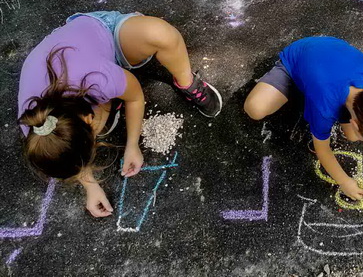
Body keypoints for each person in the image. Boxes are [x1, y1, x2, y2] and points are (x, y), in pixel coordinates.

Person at [18, 11, 222, 217]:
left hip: (102, 32)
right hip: (76, 61)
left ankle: (186, 82)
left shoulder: (96, 79)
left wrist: (133, 143)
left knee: (162, 35)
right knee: (102, 100)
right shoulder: (38, 128)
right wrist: (90, 186)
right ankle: (111, 101)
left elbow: (134, 96)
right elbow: (66, 151)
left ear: (88, 119)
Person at [244, 36, 363, 200]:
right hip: (299, 58)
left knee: (350, 135)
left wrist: (358, 133)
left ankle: (309, 83)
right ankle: (293, 80)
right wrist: (344, 181)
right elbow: (323, 150)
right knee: (255, 109)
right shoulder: (324, 107)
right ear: (355, 123)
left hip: (331, 51)